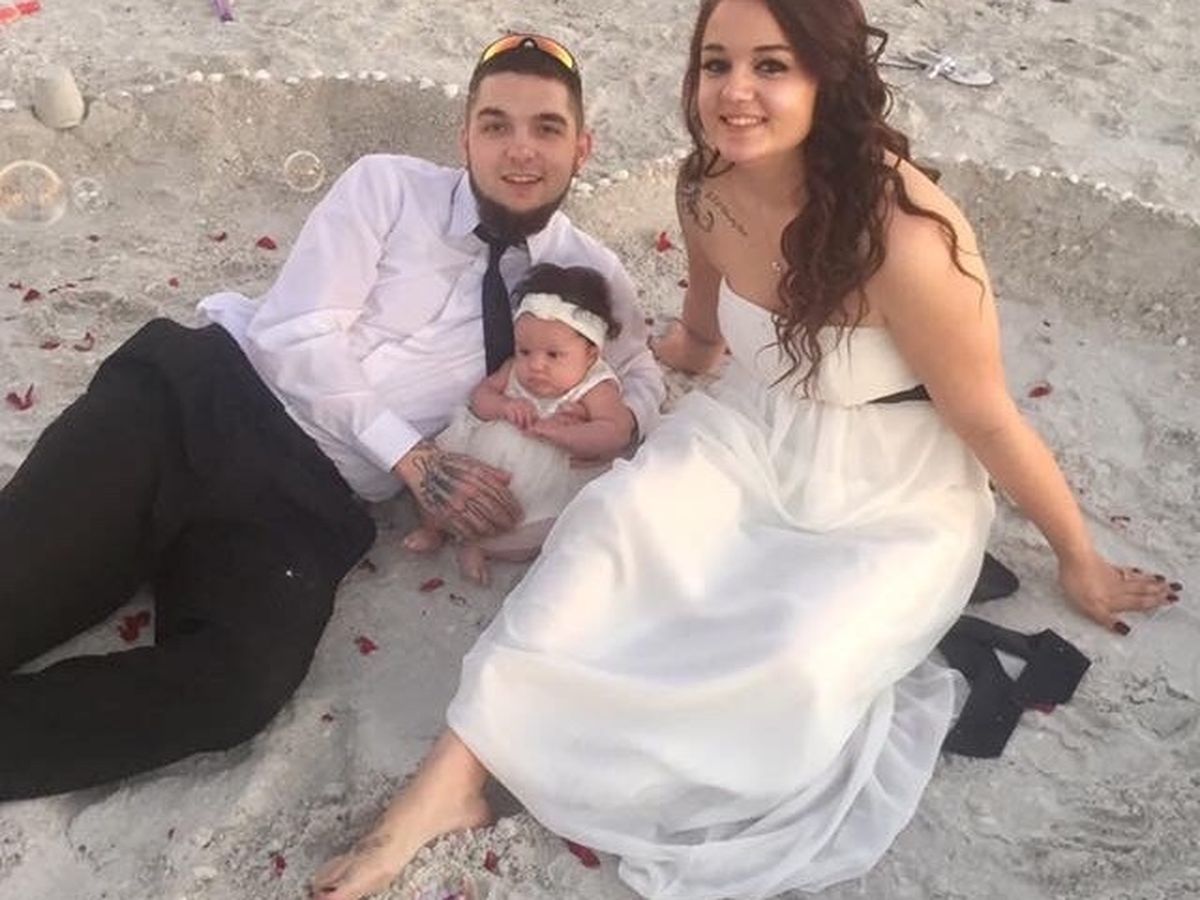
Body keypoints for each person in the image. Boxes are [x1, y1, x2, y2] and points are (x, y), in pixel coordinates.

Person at [310, 1, 1181, 898]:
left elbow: (989, 420)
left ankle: (593, 762)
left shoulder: (909, 237)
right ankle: (443, 786)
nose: (734, 91)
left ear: (826, 78)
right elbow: (701, 337)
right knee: (604, 541)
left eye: (771, 66)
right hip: (752, 429)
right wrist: (612, 373)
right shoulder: (707, 187)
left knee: (798, 658)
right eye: (715, 63)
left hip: (891, 486)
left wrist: (1079, 560)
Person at [0, 33, 664, 802]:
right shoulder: (387, 187)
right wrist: (414, 458)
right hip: (201, 401)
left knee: (237, 686)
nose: (521, 149)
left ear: (582, 147)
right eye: (496, 124)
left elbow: (641, 371)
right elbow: (297, 331)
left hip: (310, 501)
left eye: (547, 128)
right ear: (465, 137)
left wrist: (622, 423)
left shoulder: (590, 274)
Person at [404, 262, 630, 584]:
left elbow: (615, 432)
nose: (535, 365)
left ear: (591, 355)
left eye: (553, 355)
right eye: (525, 350)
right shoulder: (513, 369)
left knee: (534, 533)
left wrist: (568, 433)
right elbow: (480, 397)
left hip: (540, 484)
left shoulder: (596, 387)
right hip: (476, 454)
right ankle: (434, 529)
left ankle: (481, 546)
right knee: (434, 481)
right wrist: (503, 405)